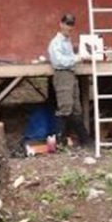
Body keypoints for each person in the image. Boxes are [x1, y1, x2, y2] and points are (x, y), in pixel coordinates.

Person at [48, 13, 91, 147]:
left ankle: (84, 140)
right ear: (61, 24)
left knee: (76, 108)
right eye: (67, 24)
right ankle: (59, 141)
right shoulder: (56, 43)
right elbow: (59, 61)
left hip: (71, 74)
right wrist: (77, 58)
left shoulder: (67, 42)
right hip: (62, 74)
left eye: (71, 24)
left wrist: (79, 56)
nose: (69, 27)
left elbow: (69, 58)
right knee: (65, 107)